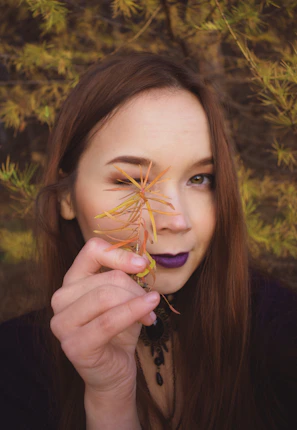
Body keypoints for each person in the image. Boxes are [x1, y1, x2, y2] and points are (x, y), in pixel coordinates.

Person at [1, 51, 297, 430]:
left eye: (200, 179)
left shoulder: (278, 331)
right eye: (130, 181)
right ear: (66, 197)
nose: (175, 220)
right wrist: (110, 402)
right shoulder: (12, 368)